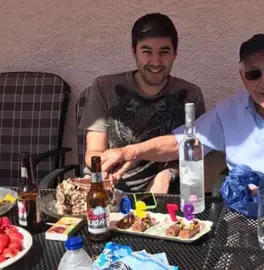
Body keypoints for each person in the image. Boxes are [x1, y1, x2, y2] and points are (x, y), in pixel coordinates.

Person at [99, 33, 264, 203]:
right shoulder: (228, 110)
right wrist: (131, 151)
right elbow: (181, 143)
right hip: (245, 214)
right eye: (254, 74)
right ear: (243, 79)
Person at [78, 13, 206, 194]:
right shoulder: (104, 87)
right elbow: (94, 151)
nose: (155, 61)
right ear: (134, 51)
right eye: (147, 51)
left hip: (162, 192)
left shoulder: (190, 95)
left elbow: (194, 153)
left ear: (175, 53)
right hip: (107, 189)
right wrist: (103, 171)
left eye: (164, 52)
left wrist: (169, 173)